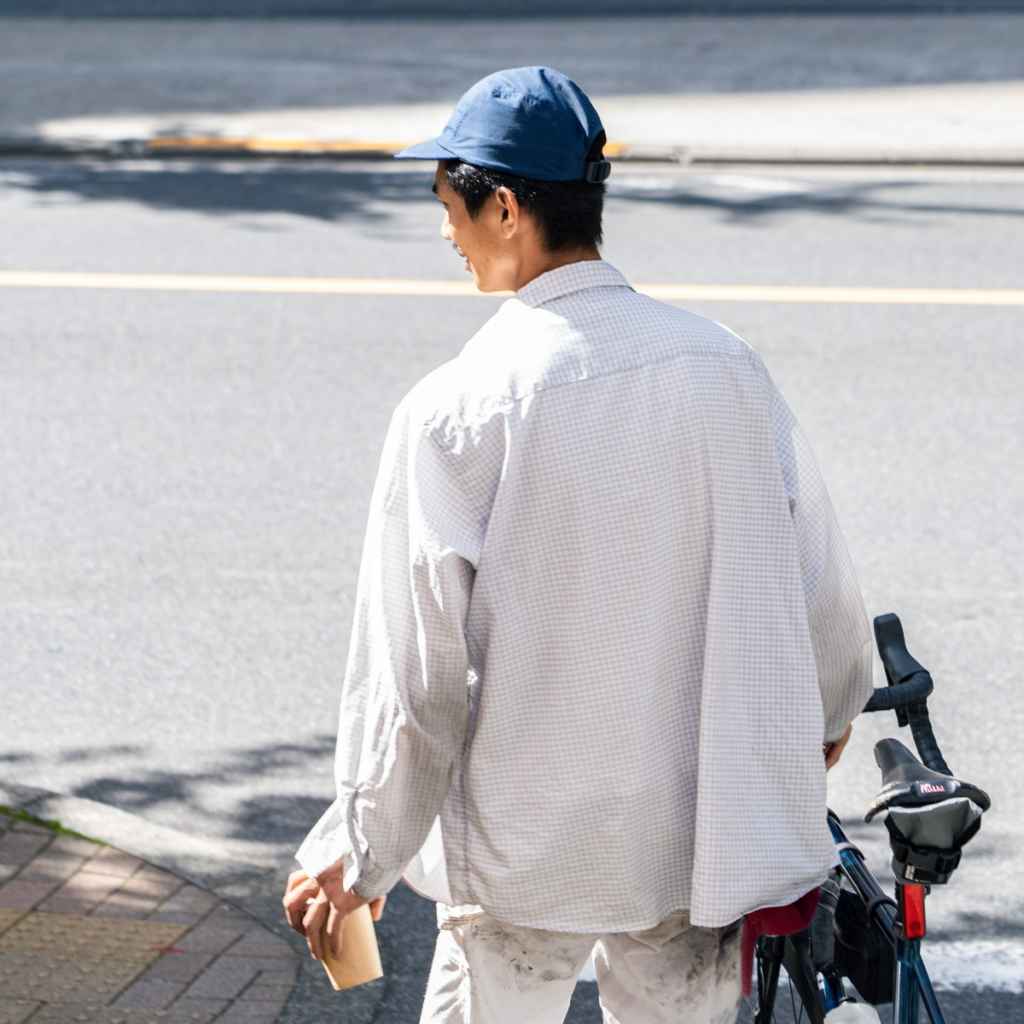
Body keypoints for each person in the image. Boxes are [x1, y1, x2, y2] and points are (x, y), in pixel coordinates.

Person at [282, 66, 873, 1023]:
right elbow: (818, 584)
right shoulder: (725, 367)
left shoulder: (454, 413)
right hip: (695, 837)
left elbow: (415, 689)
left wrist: (360, 849)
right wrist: (827, 715)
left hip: (525, 848)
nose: (445, 233)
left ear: (505, 207)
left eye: (449, 206)